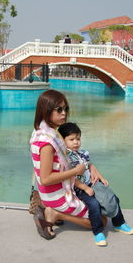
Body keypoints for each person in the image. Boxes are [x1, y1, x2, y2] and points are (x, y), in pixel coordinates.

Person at [30, 89, 107, 246]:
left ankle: (54, 211)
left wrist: (90, 166)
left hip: (54, 192)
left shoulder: (41, 131)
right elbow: (45, 179)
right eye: (59, 109)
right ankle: (57, 214)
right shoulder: (47, 142)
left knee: (93, 203)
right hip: (56, 195)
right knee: (102, 220)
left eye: (65, 109)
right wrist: (76, 171)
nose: (64, 113)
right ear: (46, 110)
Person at [58, 122, 133, 246]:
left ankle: (119, 223)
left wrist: (101, 177)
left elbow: (89, 165)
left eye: (78, 138)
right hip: (79, 188)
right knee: (94, 205)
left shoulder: (82, 153)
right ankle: (98, 231)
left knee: (113, 197)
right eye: (71, 139)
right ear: (62, 141)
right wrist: (84, 188)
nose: (76, 142)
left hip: (91, 182)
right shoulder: (65, 157)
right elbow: (70, 177)